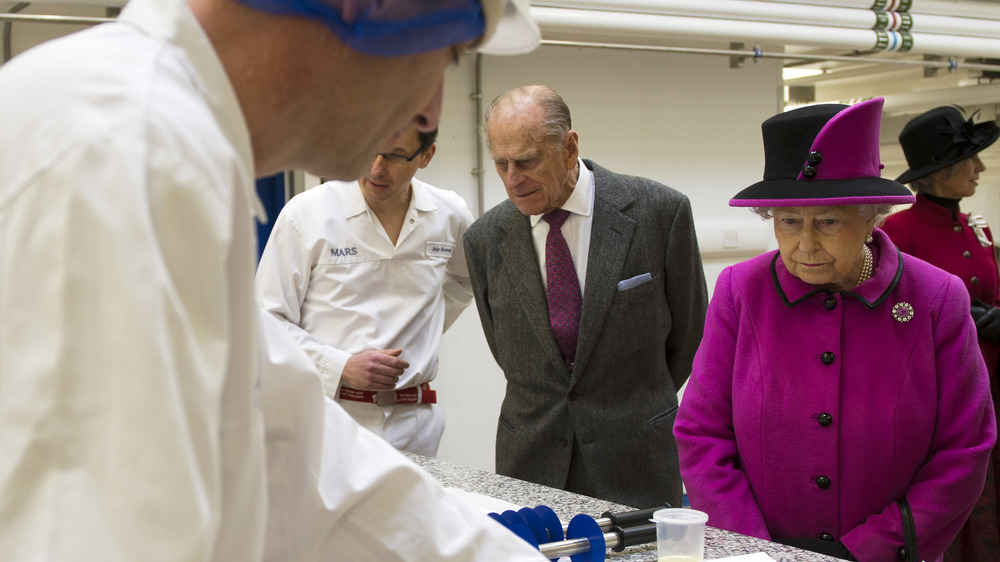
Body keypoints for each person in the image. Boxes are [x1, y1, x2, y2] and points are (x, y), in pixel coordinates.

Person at [0, 0, 547, 560]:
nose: (429, 115)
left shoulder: (166, 136)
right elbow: (108, 535)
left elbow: (302, 456)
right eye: (447, 59)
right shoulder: (130, 149)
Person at [674, 97, 997, 562]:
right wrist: (754, 550)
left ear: (871, 216)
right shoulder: (740, 291)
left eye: (828, 221)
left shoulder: (936, 298)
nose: (805, 244)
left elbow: (966, 448)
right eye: (788, 222)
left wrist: (868, 549)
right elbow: (702, 435)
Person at [463, 85, 708, 510]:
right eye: (500, 164)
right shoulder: (485, 239)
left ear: (570, 146)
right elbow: (509, 352)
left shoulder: (658, 213)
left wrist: (626, 404)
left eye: (527, 161)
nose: (512, 180)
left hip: (635, 459)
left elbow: (689, 337)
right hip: (531, 463)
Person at [256, 126, 473, 457]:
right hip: (330, 415)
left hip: (414, 421)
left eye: (396, 155)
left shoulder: (449, 214)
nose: (376, 168)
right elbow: (264, 321)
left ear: (426, 156)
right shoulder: (307, 215)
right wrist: (342, 366)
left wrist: (421, 329)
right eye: (368, 148)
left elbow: (465, 279)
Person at [881, 106, 1000, 562]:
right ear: (941, 171)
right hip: (939, 393)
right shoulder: (898, 230)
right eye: (971, 161)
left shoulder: (977, 225)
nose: (981, 169)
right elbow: (897, 312)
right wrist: (971, 318)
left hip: (991, 385)